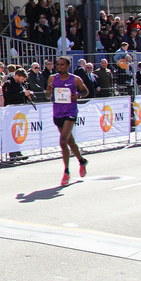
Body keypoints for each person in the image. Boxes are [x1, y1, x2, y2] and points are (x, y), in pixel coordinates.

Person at [47, 56, 89, 186]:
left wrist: (78, 95)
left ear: (68, 66)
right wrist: (48, 91)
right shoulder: (52, 78)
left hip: (70, 113)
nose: (59, 67)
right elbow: (48, 95)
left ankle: (66, 171)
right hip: (57, 113)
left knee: (63, 141)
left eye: (62, 65)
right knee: (70, 141)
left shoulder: (75, 79)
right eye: (58, 64)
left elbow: (86, 91)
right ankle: (82, 161)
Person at [2, 68, 34, 161]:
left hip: (20, 112)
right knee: (10, 132)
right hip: (11, 111)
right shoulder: (8, 84)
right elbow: (8, 97)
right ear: (16, 76)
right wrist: (22, 94)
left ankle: (17, 151)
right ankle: (12, 153)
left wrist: (29, 95)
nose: (23, 81)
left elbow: (25, 96)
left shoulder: (22, 84)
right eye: (22, 79)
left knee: (17, 132)